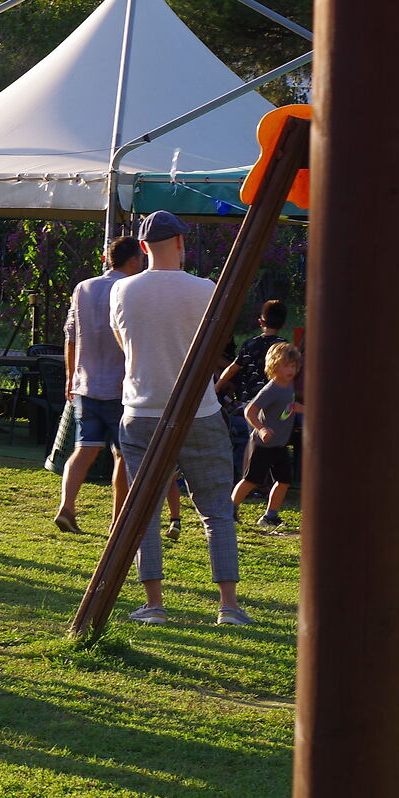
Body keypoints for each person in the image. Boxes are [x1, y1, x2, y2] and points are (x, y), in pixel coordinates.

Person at [110, 210, 250, 626]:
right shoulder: (204, 289)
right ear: (180, 244)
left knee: (144, 511)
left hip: (141, 410)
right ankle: (228, 605)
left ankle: (154, 604)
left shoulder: (122, 291)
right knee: (217, 511)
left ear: (142, 247)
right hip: (199, 411)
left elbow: (124, 345)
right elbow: (214, 346)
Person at [54, 235, 145, 535]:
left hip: (86, 383)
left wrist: (71, 376)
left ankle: (67, 506)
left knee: (83, 450)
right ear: (133, 260)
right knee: (122, 454)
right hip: (122, 388)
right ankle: (117, 520)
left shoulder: (83, 287)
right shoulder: (130, 289)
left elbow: (70, 335)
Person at [232, 343, 304, 531]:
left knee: (284, 481)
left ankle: (270, 516)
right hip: (262, 445)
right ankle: (229, 511)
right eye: (286, 365)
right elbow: (249, 411)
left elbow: (289, 408)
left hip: (279, 445)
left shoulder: (288, 386)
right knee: (251, 480)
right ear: (274, 365)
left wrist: (303, 409)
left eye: (294, 366)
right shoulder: (271, 390)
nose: (291, 370)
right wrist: (262, 429)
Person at [215, 300, 288, 466]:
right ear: (283, 324)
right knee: (274, 439)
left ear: (260, 322)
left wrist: (217, 386)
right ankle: (267, 478)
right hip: (275, 401)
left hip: (251, 403)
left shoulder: (249, 344)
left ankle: (252, 476)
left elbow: (233, 369)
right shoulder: (284, 346)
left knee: (254, 439)